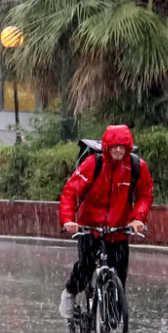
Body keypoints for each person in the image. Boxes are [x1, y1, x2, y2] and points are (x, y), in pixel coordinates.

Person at [58, 124, 155, 319]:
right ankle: (69, 293)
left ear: (128, 147)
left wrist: (138, 218)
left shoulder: (136, 167)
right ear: (107, 147)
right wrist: (68, 220)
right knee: (85, 267)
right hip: (90, 227)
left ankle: (111, 326)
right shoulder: (94, 164)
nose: (118, 150)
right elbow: (70, 192)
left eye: (122, 146)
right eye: (114, 146)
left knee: (119, 279)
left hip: (118, 230)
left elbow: (145, 194)